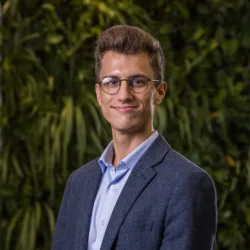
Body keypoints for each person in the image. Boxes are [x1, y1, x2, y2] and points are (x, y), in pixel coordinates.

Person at [51, 24, 217, 250]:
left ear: (159, 92)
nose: (123, 95)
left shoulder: (188, 184)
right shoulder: (78, 183)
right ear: (99, 94)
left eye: (137, 82)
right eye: (112, 82)